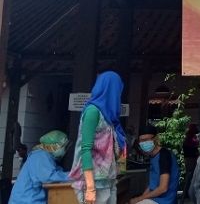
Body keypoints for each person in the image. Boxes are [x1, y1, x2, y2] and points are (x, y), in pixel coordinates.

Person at [69, 71, 127, 204]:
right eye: (117, 90)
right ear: (111, 89)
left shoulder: (109, 116)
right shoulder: (93, 111)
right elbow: (85, 149)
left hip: (108, 180)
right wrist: (90, 188)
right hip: (93, 183)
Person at [9, 130, 70, 204]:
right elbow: (49, 177)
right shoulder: (40, 155)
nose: (65, 150)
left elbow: (55, 172)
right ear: (55, 146)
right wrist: (75, 175)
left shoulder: (46, 157)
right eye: (64, 147)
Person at [129, 125, 180, 204]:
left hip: (164, 201)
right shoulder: (153, 157)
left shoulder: (164, 156)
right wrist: (140, 199)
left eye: (146, 140)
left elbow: (163, 188)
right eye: (141, 141)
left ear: (155, 139)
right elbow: (152, 185)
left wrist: (139, 199)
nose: (144, 143)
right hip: (155, 199)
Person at [183, 123, 200, 198]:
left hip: (191, 158)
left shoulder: (191, 136)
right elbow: (193, 145)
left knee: (192, 175)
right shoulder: (189, 137)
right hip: (190, 158)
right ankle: (187, 192)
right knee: (190, 175)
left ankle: (189, 192)